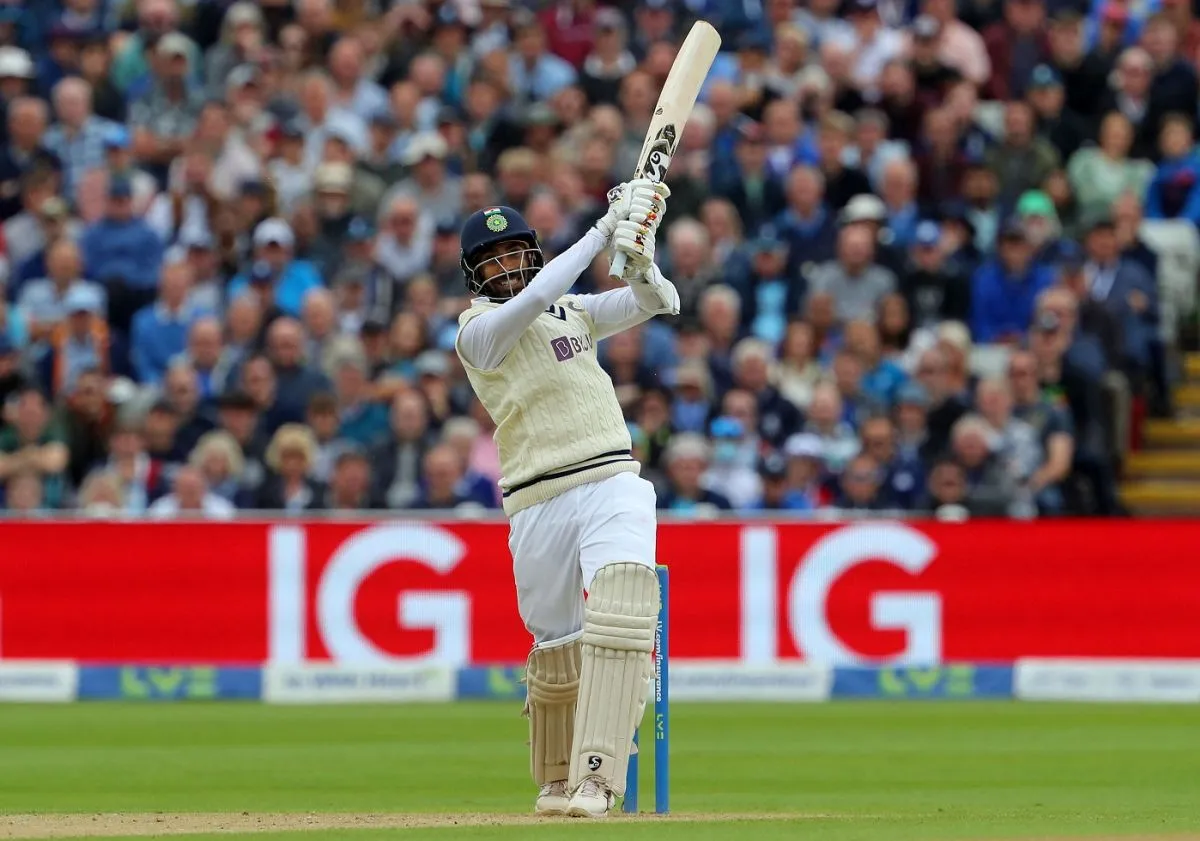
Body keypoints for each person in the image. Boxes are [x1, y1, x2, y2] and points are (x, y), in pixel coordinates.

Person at [453, 180, 675, 818]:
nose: (509, 266)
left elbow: (659, 302)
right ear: (474, 275)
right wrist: (602, 232)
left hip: (611, 477)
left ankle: (598, 779)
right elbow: (541, 292)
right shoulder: (477, 334)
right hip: (535, 497)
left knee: (624, 606)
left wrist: (639, 258)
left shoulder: (572, 311)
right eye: (493, 259)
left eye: (517, 251)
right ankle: (556, 779)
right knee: (555, 645)